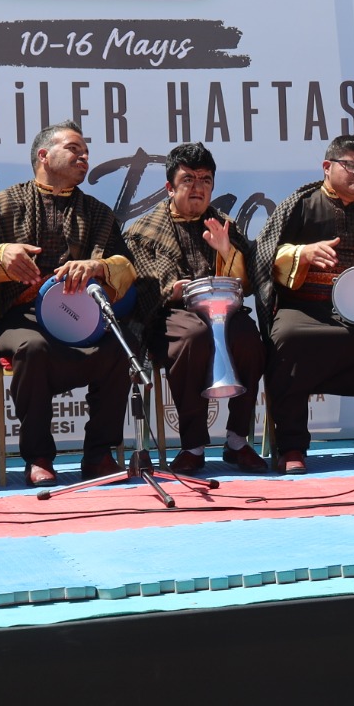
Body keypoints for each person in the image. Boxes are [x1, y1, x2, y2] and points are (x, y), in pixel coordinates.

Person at [0, 122, 140, 486]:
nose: (84, 157)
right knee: (33, 347)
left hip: (84, 319)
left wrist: (97, 266)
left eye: (85, 151)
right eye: (75, 149)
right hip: (20, 318)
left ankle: (99, 455)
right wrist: (2, 254)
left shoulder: (98, 213)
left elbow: (126, 269)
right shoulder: (4, 204)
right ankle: (39, 455)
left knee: (120, 348)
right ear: (44, 155)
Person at [254, 135, 354, 473]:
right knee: (288, 338)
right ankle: (292, 445)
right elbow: (265, 258)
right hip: (305, 308)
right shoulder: (300, 205)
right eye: (353, 166)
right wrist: (303, 254)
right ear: (327, 167)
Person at [125, 142, 268, 476]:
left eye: (205, 180)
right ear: (169, 186)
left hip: (223, 312)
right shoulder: (143, 230)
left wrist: (227, 251)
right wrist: (169, 291)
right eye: (188, 179)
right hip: (169, 317)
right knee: (195, 336)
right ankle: (193, 446)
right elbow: (142, 288)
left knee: (249, 339)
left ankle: (236, 441)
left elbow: (247, 284)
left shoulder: (223, 225)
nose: (197, 187)